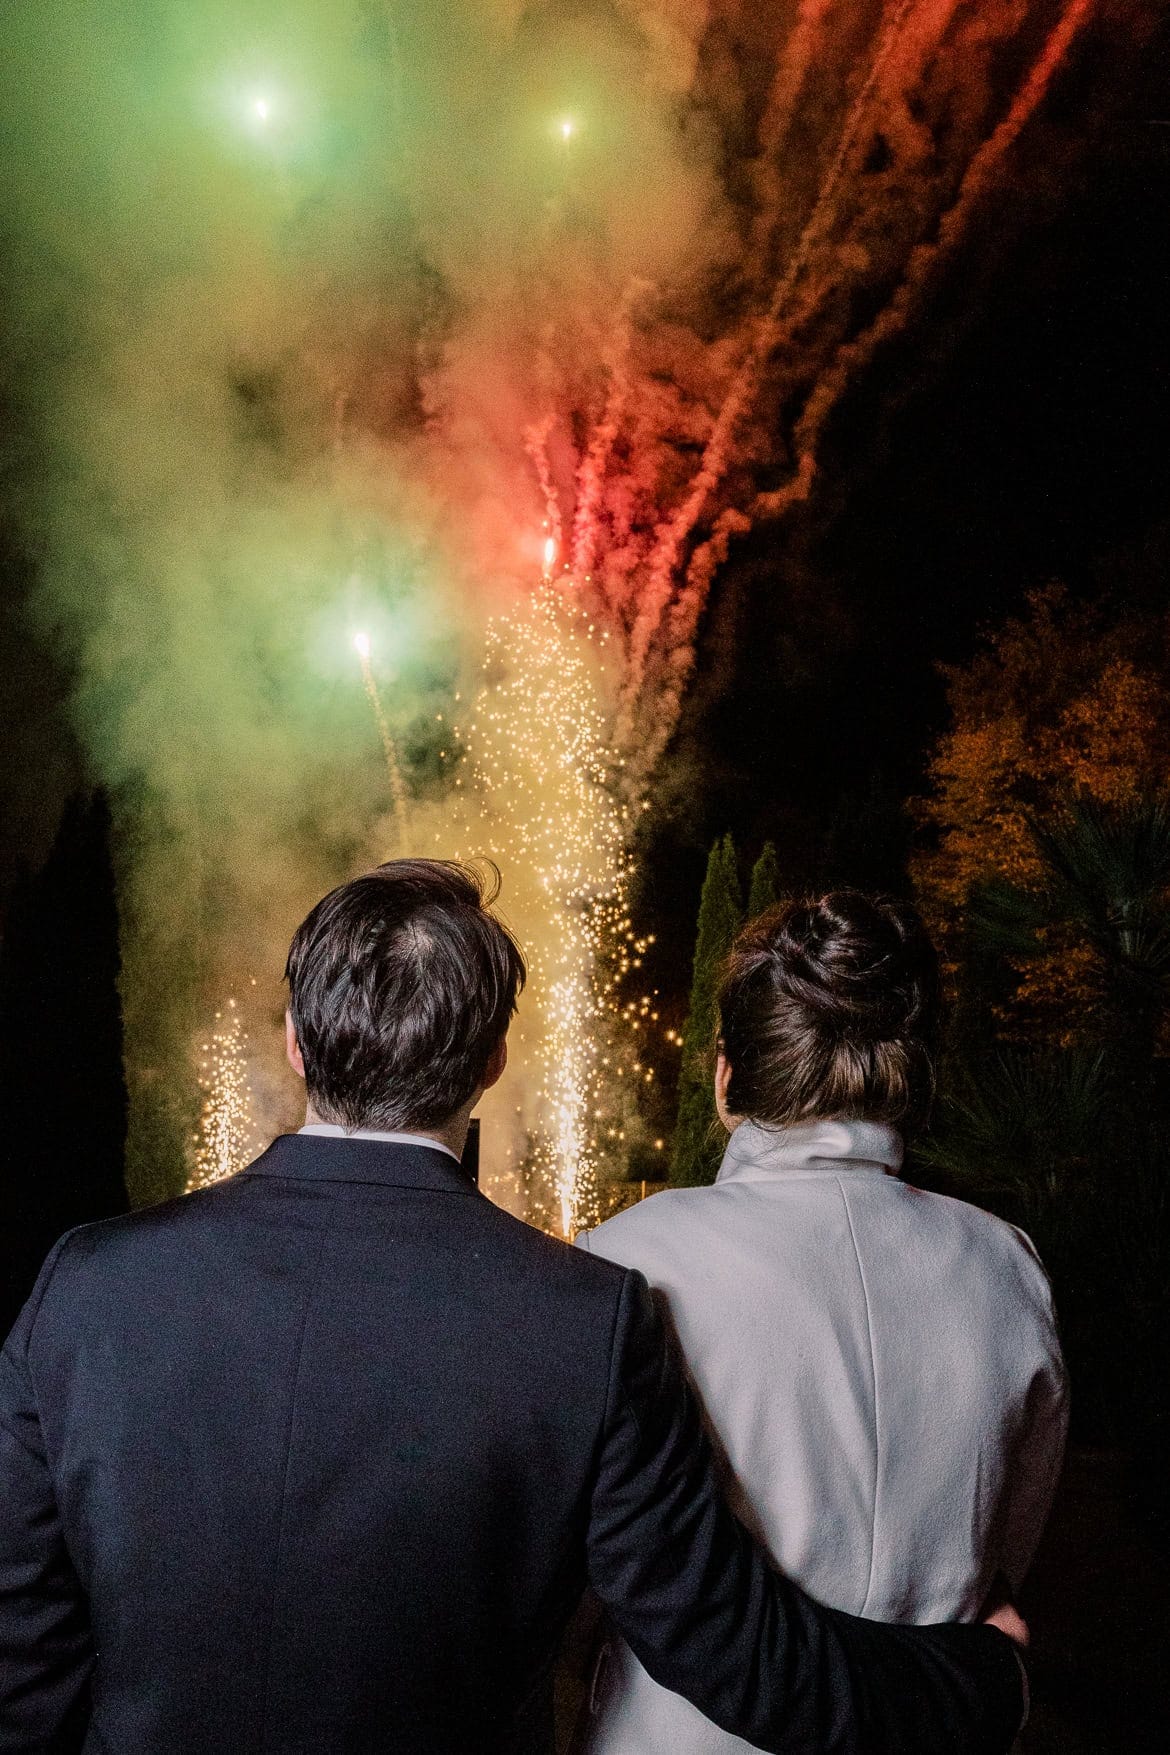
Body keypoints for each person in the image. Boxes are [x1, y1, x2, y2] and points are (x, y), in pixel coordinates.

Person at [0, 861, 1029, 1755]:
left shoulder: (86, 1287)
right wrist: (985, 1676)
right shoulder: (585, 1320)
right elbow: (739, 1652)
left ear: (295, 1044)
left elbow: (21, 1648)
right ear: (491, 1062)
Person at [575, 890, 1068, 1754]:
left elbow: (577, 1574)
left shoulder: (625, 1260)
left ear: (727, 1076)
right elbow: (1006, 1555)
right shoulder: (1008, 1264)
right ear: (911, 1070)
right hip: (940, 1727)